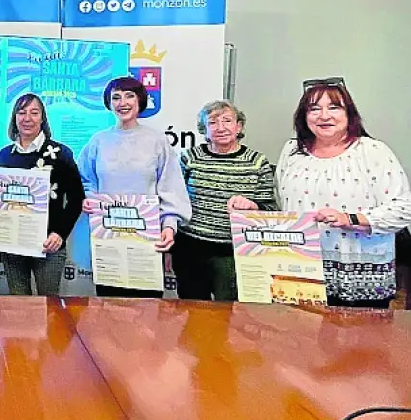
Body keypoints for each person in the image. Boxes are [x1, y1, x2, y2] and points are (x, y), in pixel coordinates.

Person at [244, 79, 411, 308]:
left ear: (349, 114)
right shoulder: (292, 151)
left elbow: (403, 209)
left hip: (359, 280)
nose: (324, 116)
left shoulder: (373, 151)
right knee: (299, 330)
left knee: (360, 333)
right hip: (300, 275)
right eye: (314, 109)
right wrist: (255, 210)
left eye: (334, 107)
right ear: (304, 116)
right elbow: (283, 208)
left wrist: (350, 219)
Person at [78, 76, 192, 298]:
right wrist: (89, 197)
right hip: (108, 238)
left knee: (146, 310)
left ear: (140, 101)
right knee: (108, 305)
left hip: (147, 239)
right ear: (109, 103)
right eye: (116, 97)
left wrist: (169, 226)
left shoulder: (157, 141)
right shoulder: (98, 141)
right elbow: (85, 179)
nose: (122, 103)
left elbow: (171, 186)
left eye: (129, 96)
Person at [173, 100, 276, 301]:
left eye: (227, 121)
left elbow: (271, 209)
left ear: (239, 126)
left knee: (230, 313)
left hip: (234, 253)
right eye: (212, 122)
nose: (220, 128)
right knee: (192, 311)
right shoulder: (189, 158)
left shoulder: (257, 162)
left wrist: (253, 206)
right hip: (190, 249)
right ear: (204, 129)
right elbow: (176, 202)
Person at [0, 93, 85, 296]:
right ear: (14, 118)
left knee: (49, 304)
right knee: (19, 305)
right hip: (12, 243)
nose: (27, 118)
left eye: (34, 113)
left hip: (48, 243)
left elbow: (76, 198)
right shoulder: (4, 155)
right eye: (21, 113)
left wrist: (60, 233)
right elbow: (2, 199)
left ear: (42, 118)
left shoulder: (60, 153)